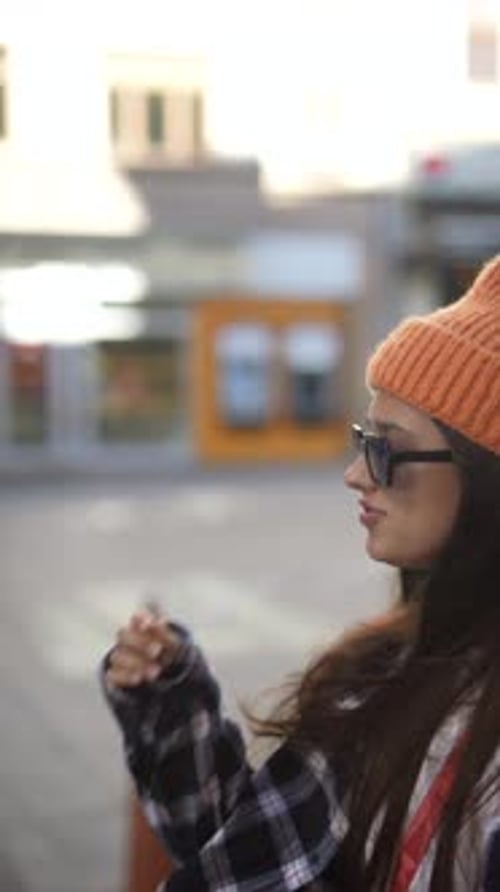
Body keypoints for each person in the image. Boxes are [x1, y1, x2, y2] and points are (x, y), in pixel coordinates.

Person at [101, 256, 500, 891]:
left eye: (387, 449)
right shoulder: (388, 665)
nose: (356, 474)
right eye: (362, 438)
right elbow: (261, 855)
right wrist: (173, 704)